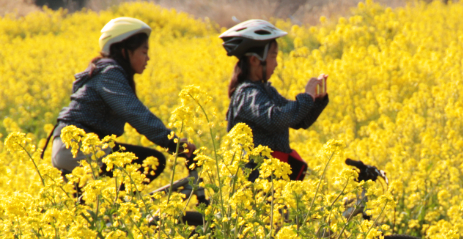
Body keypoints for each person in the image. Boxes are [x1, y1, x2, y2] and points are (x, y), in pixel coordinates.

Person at [49, 17, 194, 182]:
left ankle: (121, 206)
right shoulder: (109, 73)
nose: (148, 58)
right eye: (144, 52)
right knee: (152, 161)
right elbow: (133, 112)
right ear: (124, 51)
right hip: (78, 148)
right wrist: (172, 143)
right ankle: (128, 207)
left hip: (71, 147)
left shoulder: (106, 72)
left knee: (82, 205)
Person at [221, 20, 329, 181]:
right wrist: (305, 97)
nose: (277, 63)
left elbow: (298, 121)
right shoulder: (247, 94)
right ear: (255, 60)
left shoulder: (266, 90)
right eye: (273, 56)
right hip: (255, 187)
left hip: (274, 183)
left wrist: (316, 101)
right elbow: (276, 118)